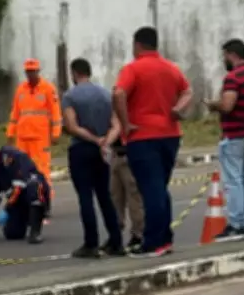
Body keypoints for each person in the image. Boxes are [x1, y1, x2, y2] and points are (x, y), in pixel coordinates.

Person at [113, 27, 193, 258]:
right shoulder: (171, 68)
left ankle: (154, 242)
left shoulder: (133, 69)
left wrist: (125, 123)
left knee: (151, 190)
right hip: (169, 134)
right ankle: (165, 239)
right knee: (159, 188)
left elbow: (119, 94)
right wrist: (178, 109)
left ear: (137, 45)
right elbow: (188, 91)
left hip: (143, 136)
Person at [61, 58, 125, 258]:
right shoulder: (106, 94)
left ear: (74, 74)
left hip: (81, 149)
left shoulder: (70, 96)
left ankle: (91, 243)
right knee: (105, 197)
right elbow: (117, 125)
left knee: (85, 197)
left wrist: (94, 139)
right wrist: (106, 141)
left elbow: (71, 126)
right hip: (102, 152)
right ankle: (116, 241)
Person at [204, 38, 244, 242]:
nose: (223, 60)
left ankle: (236, 225)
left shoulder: (233, 77)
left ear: (232, 55)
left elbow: (228, 105)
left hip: (235, 135)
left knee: (233, 181)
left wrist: (214, 105)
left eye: (224, 56)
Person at [0, 138, 50, 244]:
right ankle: (26, 219)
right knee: (12, 234)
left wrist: (7, 208)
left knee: (34, 187)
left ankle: (35, 232)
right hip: (17, 200)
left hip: (34, 193)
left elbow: (19, 185)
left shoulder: (12, 156)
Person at [6, 58, 62, 201]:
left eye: (33, 71)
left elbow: (55, 112)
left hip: (40, 137)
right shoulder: (21, 89)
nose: (30, 74)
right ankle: (27, 199)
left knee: (41, 170)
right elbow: (15, 113)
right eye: (28, 72)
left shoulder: (48, 89)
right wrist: (10, 132)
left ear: (38, 71)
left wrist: (56, 133)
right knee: (22, 170)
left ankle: (44, 199)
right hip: (22, 137)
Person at [110, 135, 145, 251]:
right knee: (115, 197)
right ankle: (115, 233)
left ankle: (138, 234)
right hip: (115, 152)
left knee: (134, 198)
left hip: (129, 152)